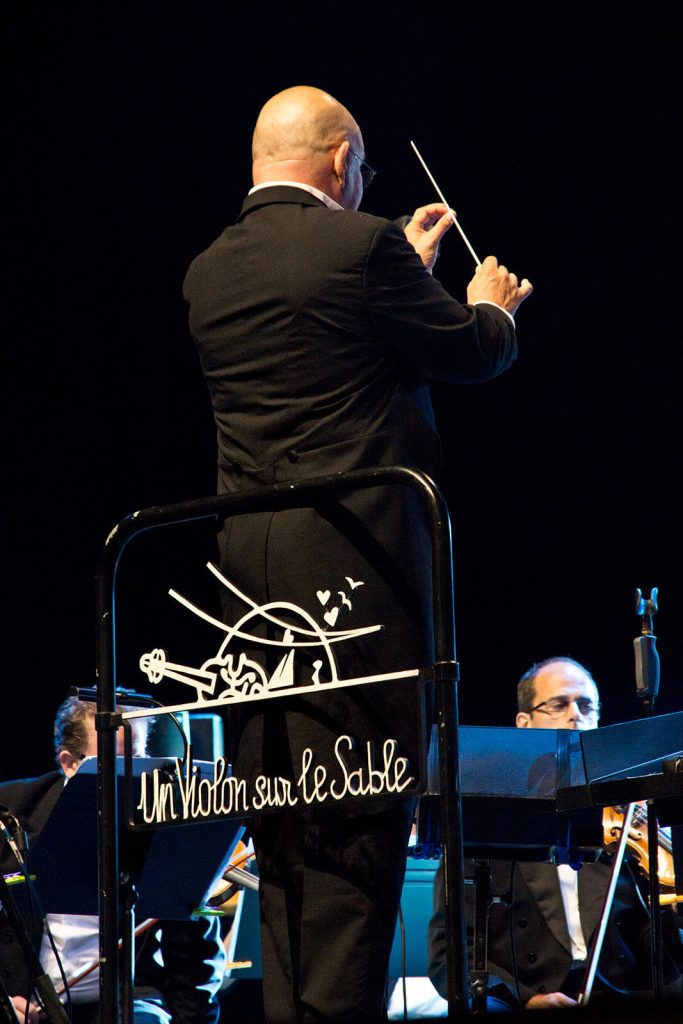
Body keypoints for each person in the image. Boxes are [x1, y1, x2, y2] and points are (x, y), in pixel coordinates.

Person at [182, 84, 532, 1024]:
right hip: (355, 595)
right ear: (342, 163)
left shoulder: (208, 271)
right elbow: (467, 351)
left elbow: (329, 365)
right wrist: (485, 305)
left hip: (248, 609)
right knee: (359, 843)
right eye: (363, 170)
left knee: (289, 847)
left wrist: (399, 277)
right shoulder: (360, 244)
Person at [428, 657, 683, 1011]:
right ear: (524, 723)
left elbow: (663, 958)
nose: (575, 715)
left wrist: (672, 899)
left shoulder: (628, 825)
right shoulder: (488, 825)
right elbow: (449, 952)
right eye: (559, 705)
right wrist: (525, 999)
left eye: (586, 706)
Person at [0, 696, 226, 1024]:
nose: (130, 776)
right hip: (30, 1007)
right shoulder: (13, 811)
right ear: (69, 762)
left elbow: (194, 955)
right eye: (114, 763)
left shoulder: (159, 820)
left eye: (137, 761)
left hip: (130, 1002)